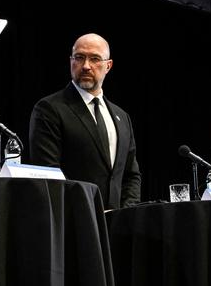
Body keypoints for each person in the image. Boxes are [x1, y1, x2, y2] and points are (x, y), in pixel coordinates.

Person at [28, 33, 141, 209]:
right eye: (79, 58)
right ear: (71, 61)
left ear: (108, 65)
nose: (86, 66)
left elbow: (131, 175)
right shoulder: (49, 109)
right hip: (74, 224)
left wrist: (126, 215)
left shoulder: (122, 117)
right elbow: (48, 174)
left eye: (95, 59)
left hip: (117, 227)